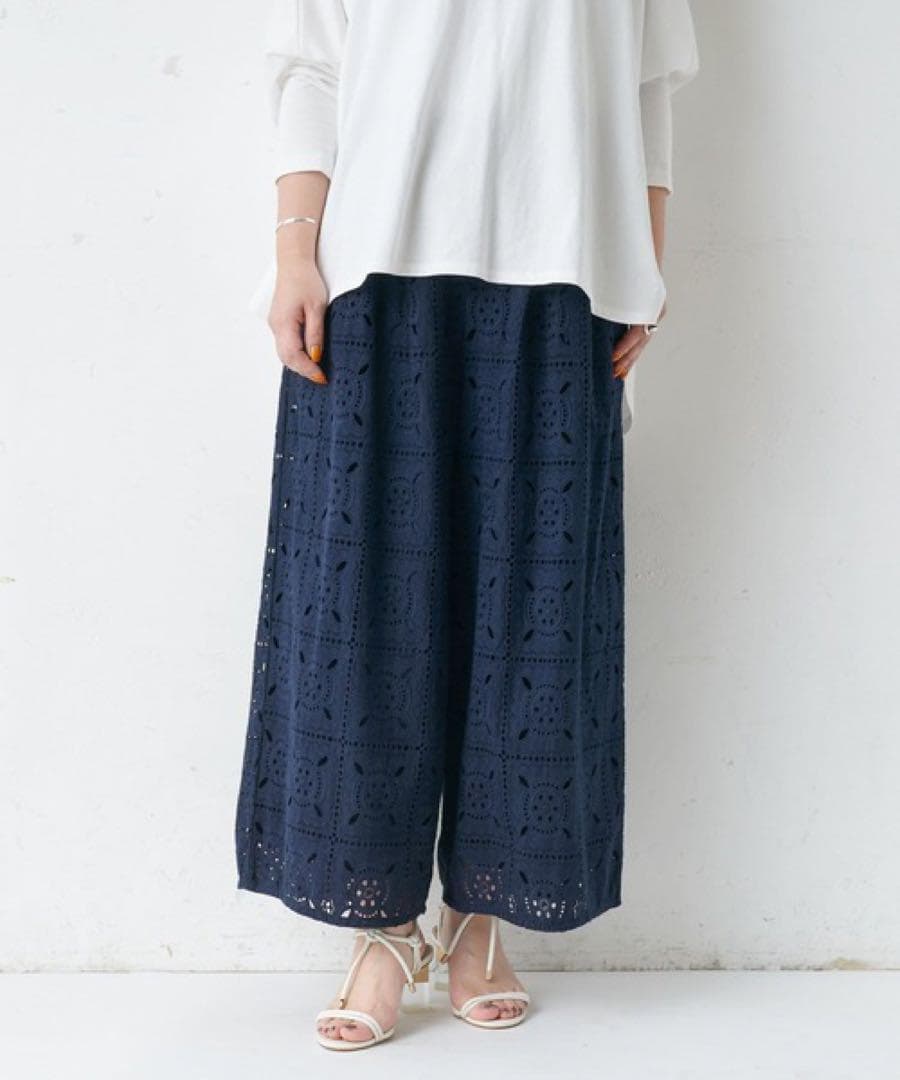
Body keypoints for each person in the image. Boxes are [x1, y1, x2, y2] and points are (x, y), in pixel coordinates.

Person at [235, 0, 699, 1051]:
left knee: (535, 623)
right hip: (372, 266)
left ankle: (481, 918)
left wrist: (648, 263)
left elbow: (646, 86)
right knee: (366, 621)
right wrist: (295, 253)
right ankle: (384, 927)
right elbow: (311, 68)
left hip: (569, 273)